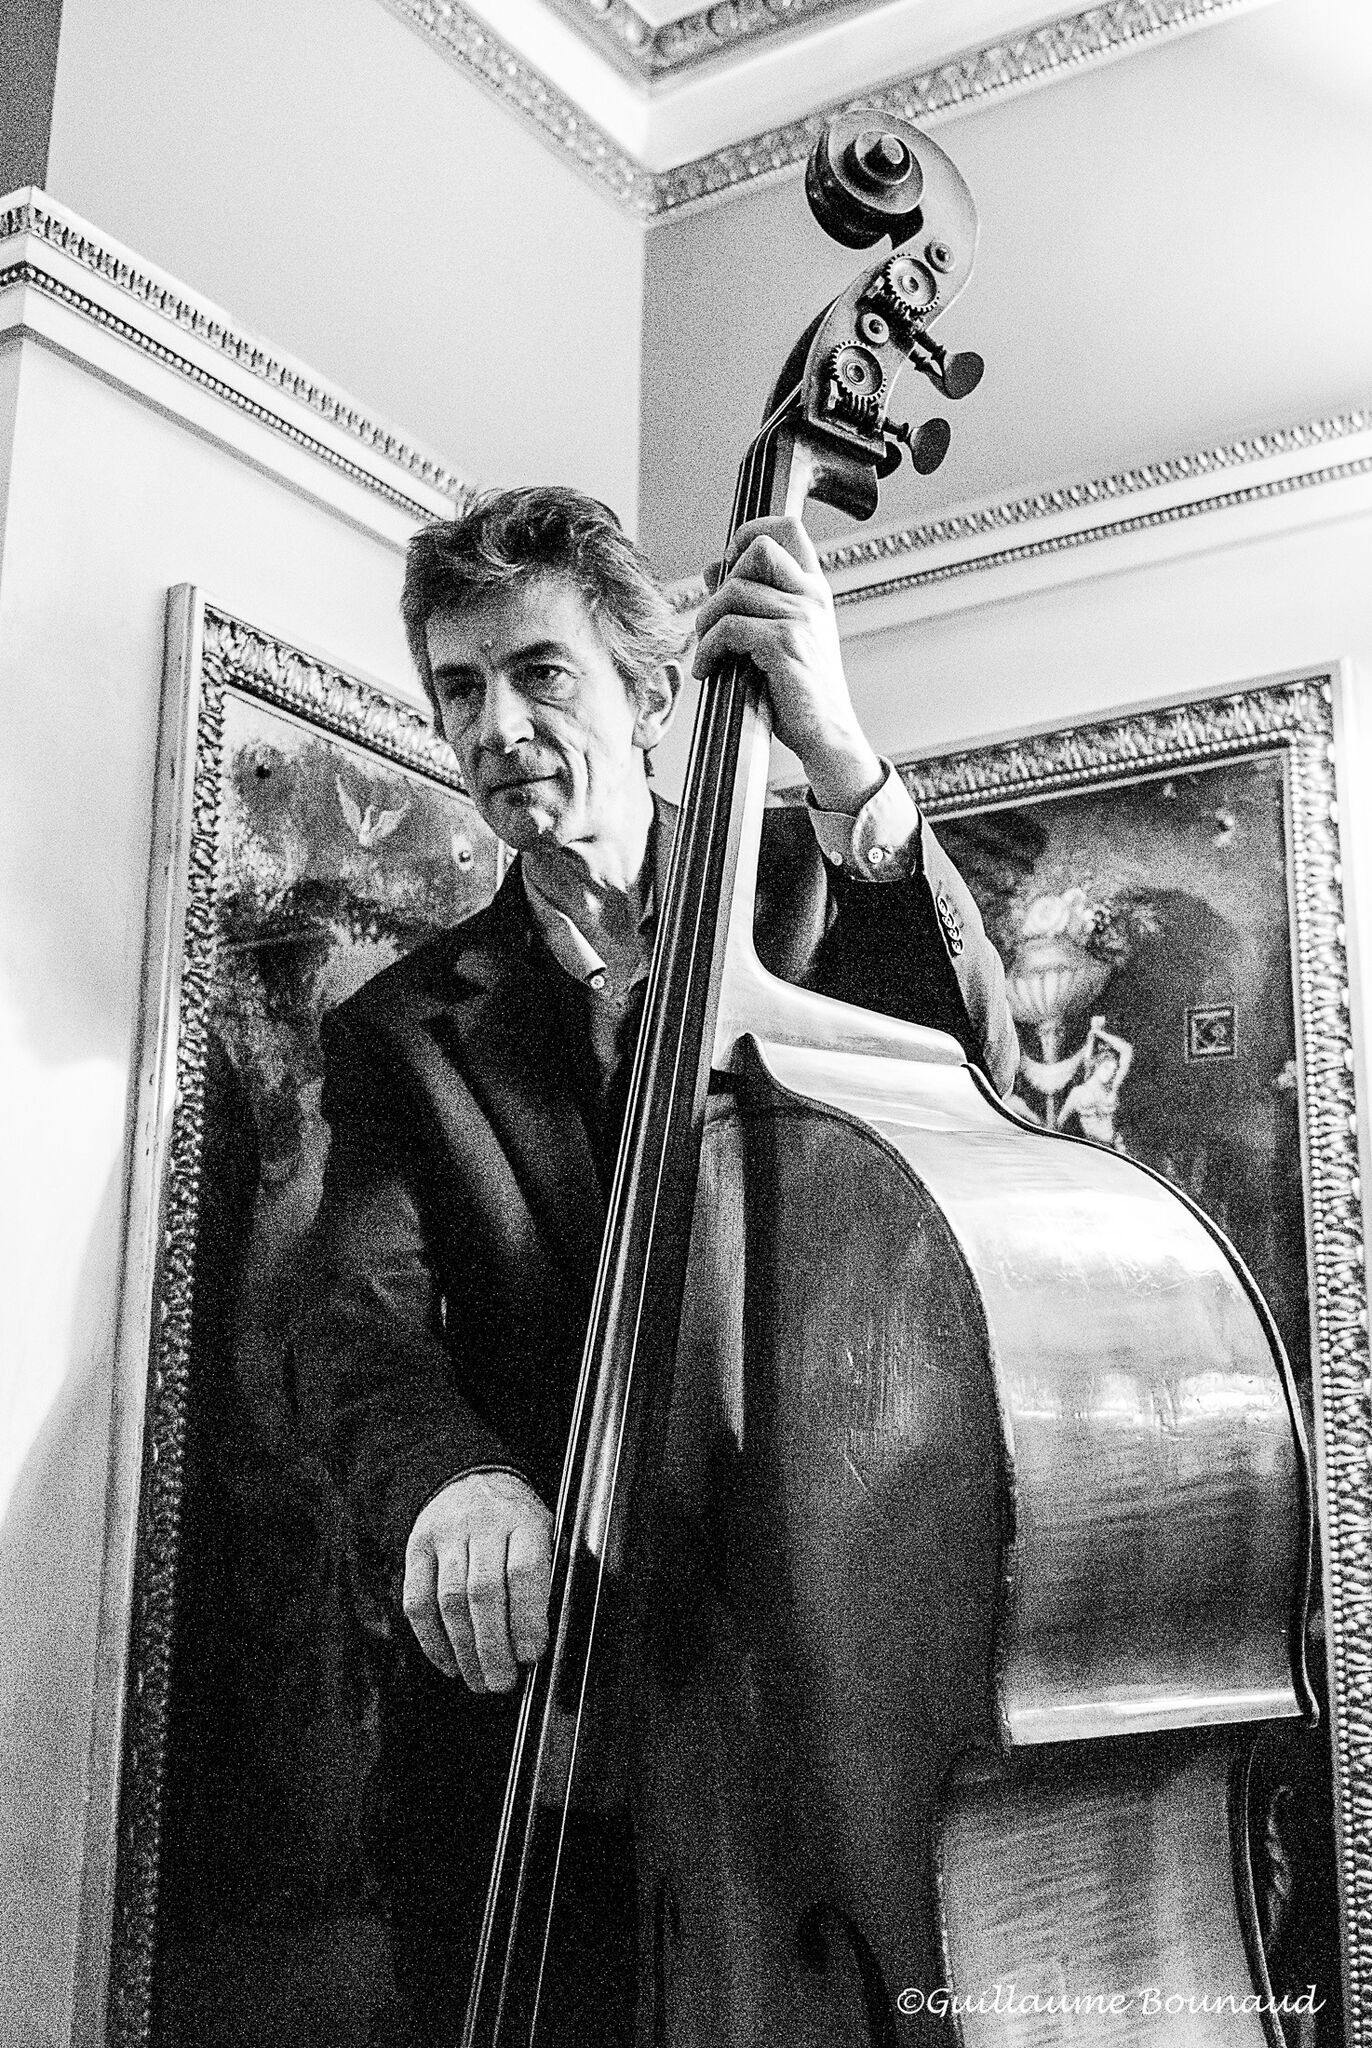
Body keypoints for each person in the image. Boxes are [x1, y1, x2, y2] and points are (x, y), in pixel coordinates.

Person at [295, 486, 1017, 2046]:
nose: (495, 726)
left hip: (824, 1676)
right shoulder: (399, 1033)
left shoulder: (809, 896)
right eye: (459, 689)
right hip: (545, 1719)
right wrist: (452, 1483)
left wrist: (844, 762)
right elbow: (357, 1331)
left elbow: (980, 1091)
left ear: (648, 694)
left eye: (539, 672)